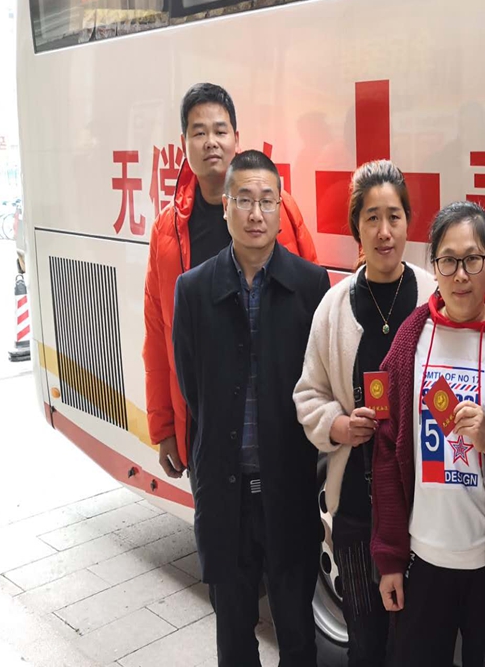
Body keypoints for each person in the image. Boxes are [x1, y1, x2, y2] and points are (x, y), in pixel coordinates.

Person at [172, 150, 330, 666]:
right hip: (225, 494)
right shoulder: (194, 290)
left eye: (266, 201)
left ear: (281, 208)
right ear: (225, 206)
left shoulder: (310, 285)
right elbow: (194, 389)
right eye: (244, 200)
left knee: (298, 635)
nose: (256, 213)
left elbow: (317, 385)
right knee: (234, 638)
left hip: (288, 490)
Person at [371, 202, 485, 667]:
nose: (461, 275)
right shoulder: (412, 338)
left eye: (473, 259)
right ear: (434, 266)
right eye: (448, 260)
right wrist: (389, 558)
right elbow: (386, 450)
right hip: (423, 560)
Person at [293, 161, 436, 667]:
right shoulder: (333, 307)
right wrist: (337, 426)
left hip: (423, 510)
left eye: (394, 216)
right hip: (355, 507)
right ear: (357, 227)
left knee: (417, 642)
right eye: (372, 218)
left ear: (408, 222)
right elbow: (308, 393)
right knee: (365, 640)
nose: (384, 231)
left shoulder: (434, 297)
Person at [146, 83, 317, 481]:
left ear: (236, 139)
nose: (211, 142)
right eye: (199, 132)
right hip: (210, 428)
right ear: (184, 143)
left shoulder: (278, 209)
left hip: (282, 421)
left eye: (220, 131)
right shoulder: (168, 231)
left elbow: (315, 311)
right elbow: (158, 333)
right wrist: (165, 427)